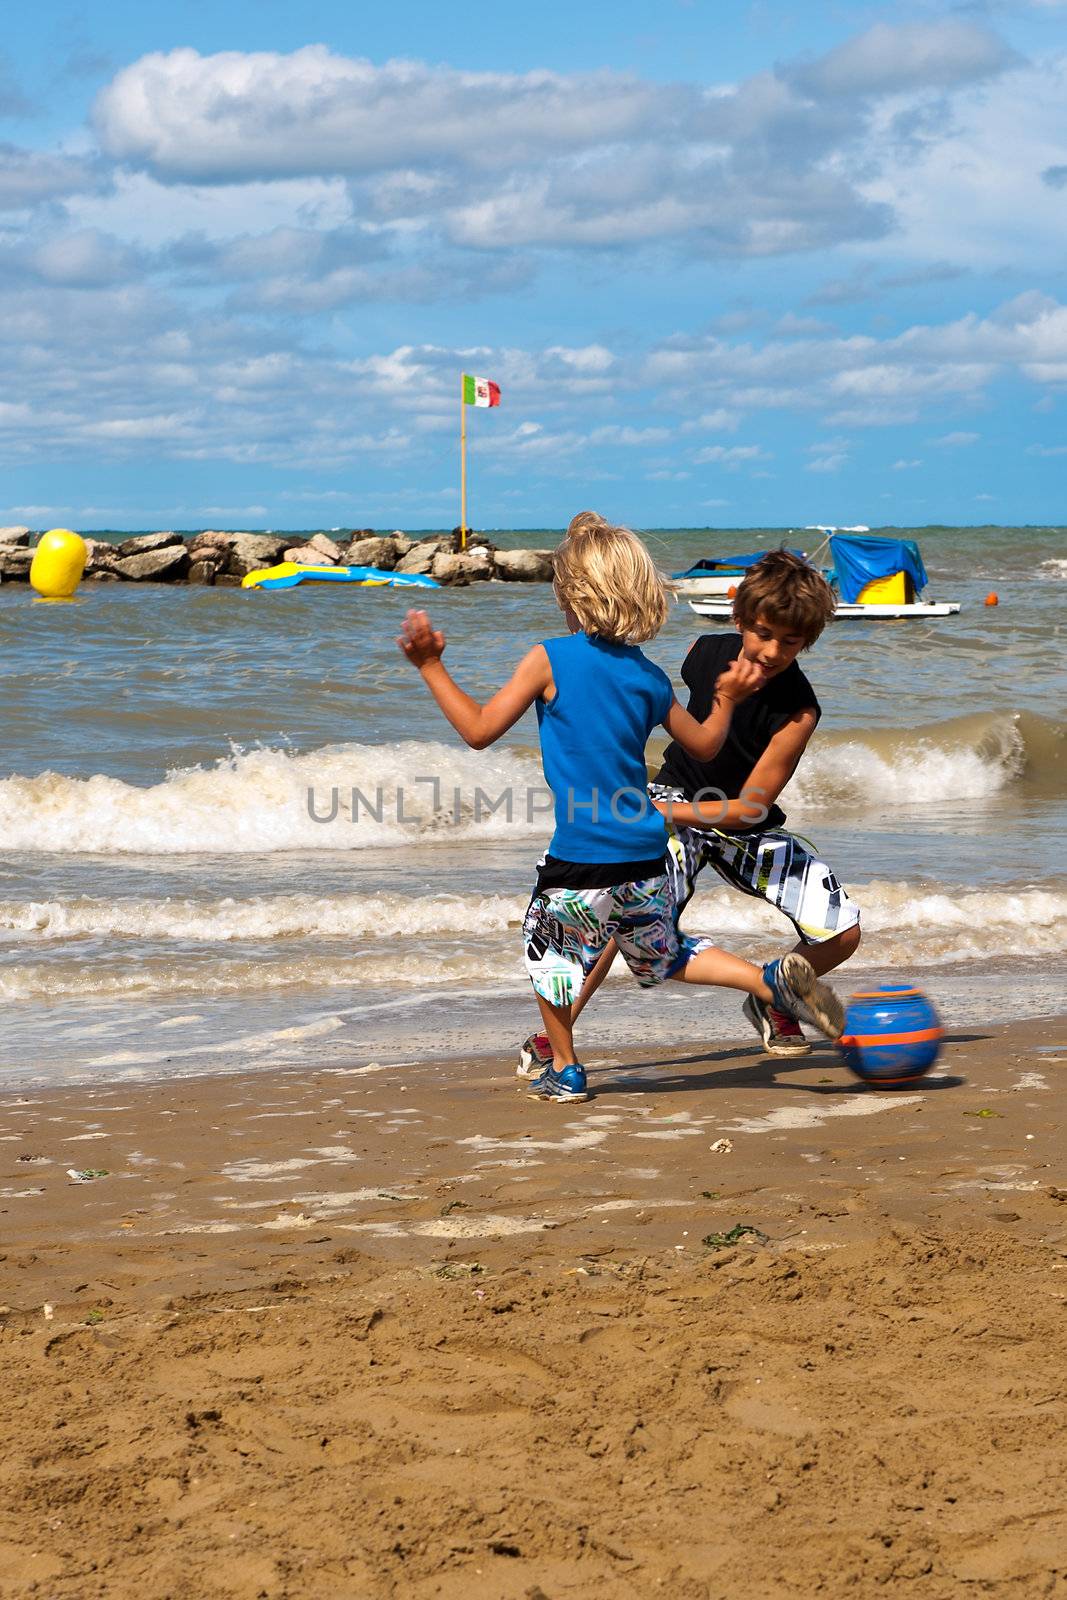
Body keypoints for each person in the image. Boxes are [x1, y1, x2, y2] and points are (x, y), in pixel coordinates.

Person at [399, 514, 844, 1103]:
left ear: (570, 594)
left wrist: (431, 665)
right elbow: (707, 745)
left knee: (550, 953)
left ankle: (565, 1066)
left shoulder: (548, 658)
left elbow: (479, 731)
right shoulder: (651, 675)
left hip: (583, 852)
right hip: (645, 854)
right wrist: (728, 700)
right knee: (662, 954)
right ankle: (764, 979)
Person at [518, 547, 860, 1078]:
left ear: (807, 641)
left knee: (843, 933)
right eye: (764, 634)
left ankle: (774, 997)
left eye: (790, 642)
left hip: (741, 824)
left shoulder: (800, 709)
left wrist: (663, 810)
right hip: (675, 800)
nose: (772, 651)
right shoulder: (703, 652)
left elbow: (752, 805)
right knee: (615, 913)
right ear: (741, 618)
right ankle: (552, 1041)